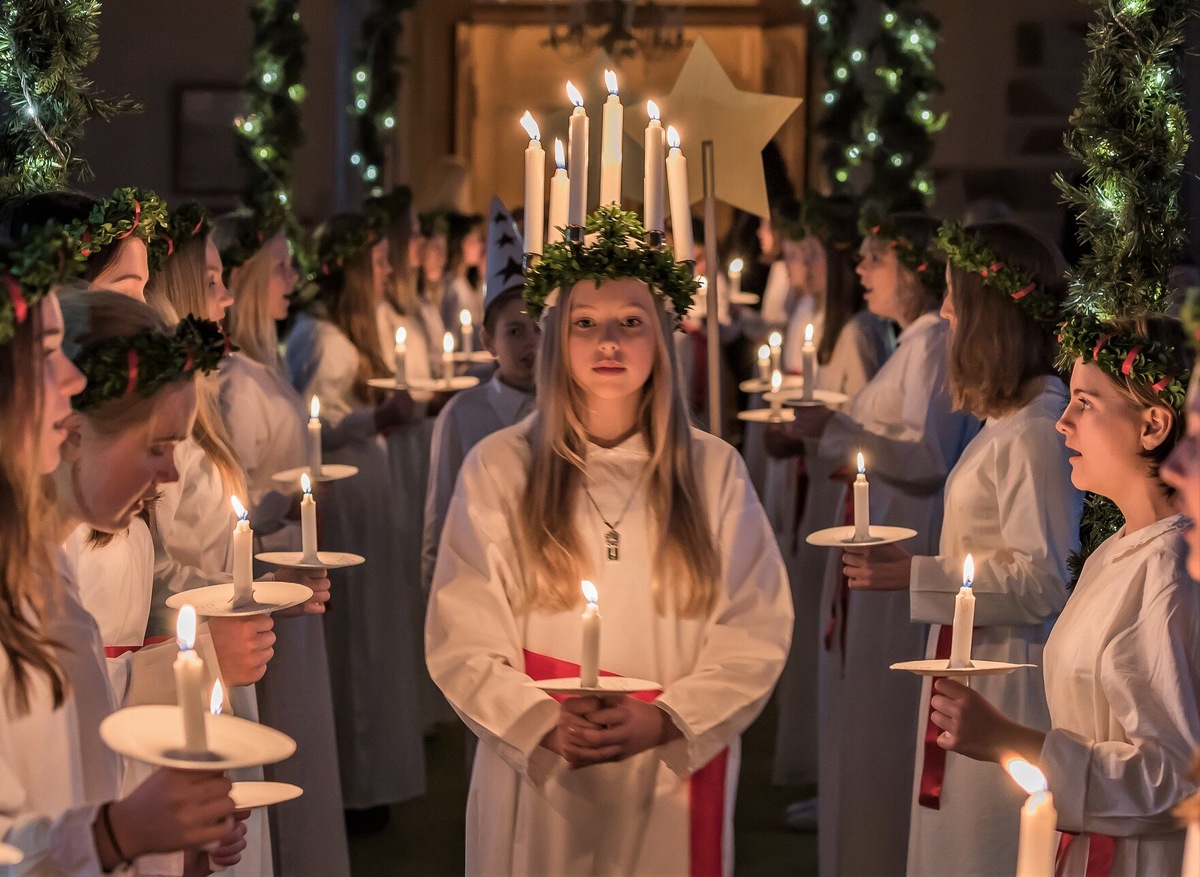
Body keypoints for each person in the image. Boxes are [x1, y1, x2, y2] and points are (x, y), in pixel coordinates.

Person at [426, 206, 792, 875]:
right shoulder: (501, 467)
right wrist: (539, 720)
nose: (609, 343)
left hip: (669, 762)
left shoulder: (711, 472)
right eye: (585, 324)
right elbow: (462, 631)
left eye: (632, 321)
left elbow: (755, 625)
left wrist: (669, 718)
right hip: (540, 764)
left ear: (665, 335)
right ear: (556, 337)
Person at [844, 222, 1083, 875]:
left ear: (991, 315)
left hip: (1006, 677)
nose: (944, 311)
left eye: (954, 297)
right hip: (973, 655)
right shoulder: (1009, 418)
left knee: (981, 845)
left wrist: (914, 575)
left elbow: (1044, 579)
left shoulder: (1037, 429)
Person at [0, 231, 239, 873]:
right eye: (49, 354)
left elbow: (82, 776)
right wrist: (115, 835)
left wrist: (158, 838)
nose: (73, 377)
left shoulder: (42, 568)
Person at [931, 314, 1198, 877]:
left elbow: (1175, 776)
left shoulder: (1172, 575)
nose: (1062, 423)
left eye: (1084, 402)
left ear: (1152, 425)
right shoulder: (1118, 548)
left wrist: (1012, 740)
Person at [778, 213, 980, 877]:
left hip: (903, 538)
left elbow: (928, 455)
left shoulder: (930, 345)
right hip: (878, 538)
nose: (860, 270)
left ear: (917, 271)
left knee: (878, 705)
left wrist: (834, 429)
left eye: (875, 259)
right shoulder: (911, 341)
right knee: (855, 692)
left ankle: (870, 847)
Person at [215, 210, 351, 875]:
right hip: (268, 565)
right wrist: (285, 503)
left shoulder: (260, 368)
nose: (293, 279)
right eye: (279, 266)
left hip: (290, 560)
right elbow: (232, 506)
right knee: (282, 727)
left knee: (301, 727)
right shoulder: (236, 382)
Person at [285, 213, 426, 830]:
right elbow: (312, 427)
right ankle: (356, 777)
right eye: (374, 262)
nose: (386, 271)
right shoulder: (321, 338)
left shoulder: (344, 333)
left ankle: (373, 775)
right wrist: (377, 419)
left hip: (367, 495)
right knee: (357, 643)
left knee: (375, 635)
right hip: (342, 499)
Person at [764, 199, 895, 804]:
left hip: (844, 494)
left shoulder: (860, 331)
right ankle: (815, 764)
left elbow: (872, 420)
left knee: (833, 627)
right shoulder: (819, 317)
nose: (800, 264)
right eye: (795, 253)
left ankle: (832, 774)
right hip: (820, 485)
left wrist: (820, 431)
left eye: (811, 253)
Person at [422, 197, 538, 595]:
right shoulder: (462, 414)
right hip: (478, 582)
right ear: (488, 340)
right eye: (514, 332)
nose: (530, 344)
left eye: (539, 329)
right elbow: (440, 515)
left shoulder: (563, 410)